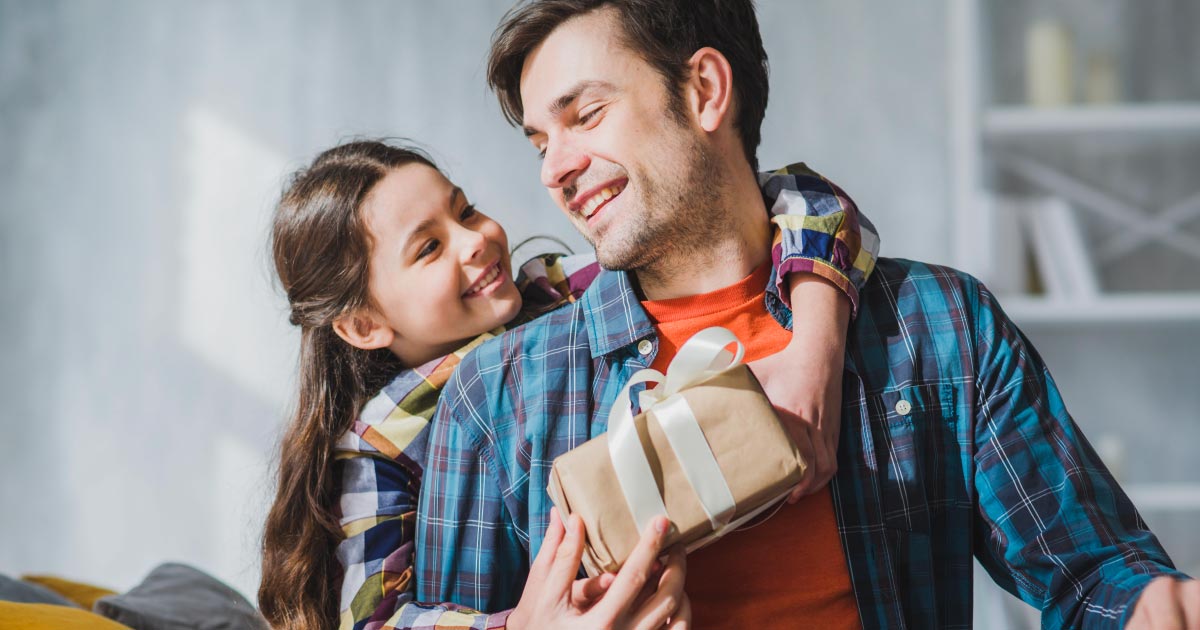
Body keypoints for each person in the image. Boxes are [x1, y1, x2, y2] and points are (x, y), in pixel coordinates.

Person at [413, 1, 1198, 628]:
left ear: (705, 91)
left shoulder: (939, 327)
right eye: (539, 141)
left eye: (585, 116)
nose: (555, 169)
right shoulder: (496, 398)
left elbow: (1093, 576)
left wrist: (1158, 607)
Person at [257, 140, 881, 629]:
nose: (476, 240)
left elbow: (802, 196)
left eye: (465, 209)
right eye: (428, 248)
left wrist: (814, 350)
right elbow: (373, 621)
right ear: (364, 324)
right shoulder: (378, 444)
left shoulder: (564, 293)